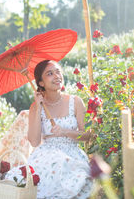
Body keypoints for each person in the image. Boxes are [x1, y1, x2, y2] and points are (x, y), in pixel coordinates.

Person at [27, 59, 93, 199]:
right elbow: (33, 141)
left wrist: (65, 132)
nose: (57, 76)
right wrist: (38, 107)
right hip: (46, 156)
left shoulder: (75, 102)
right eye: (50, 73)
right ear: (41, 83)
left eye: (58, 72)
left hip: (72, 155)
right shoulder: (36, 107)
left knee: (75, 178)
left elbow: (88, 135)